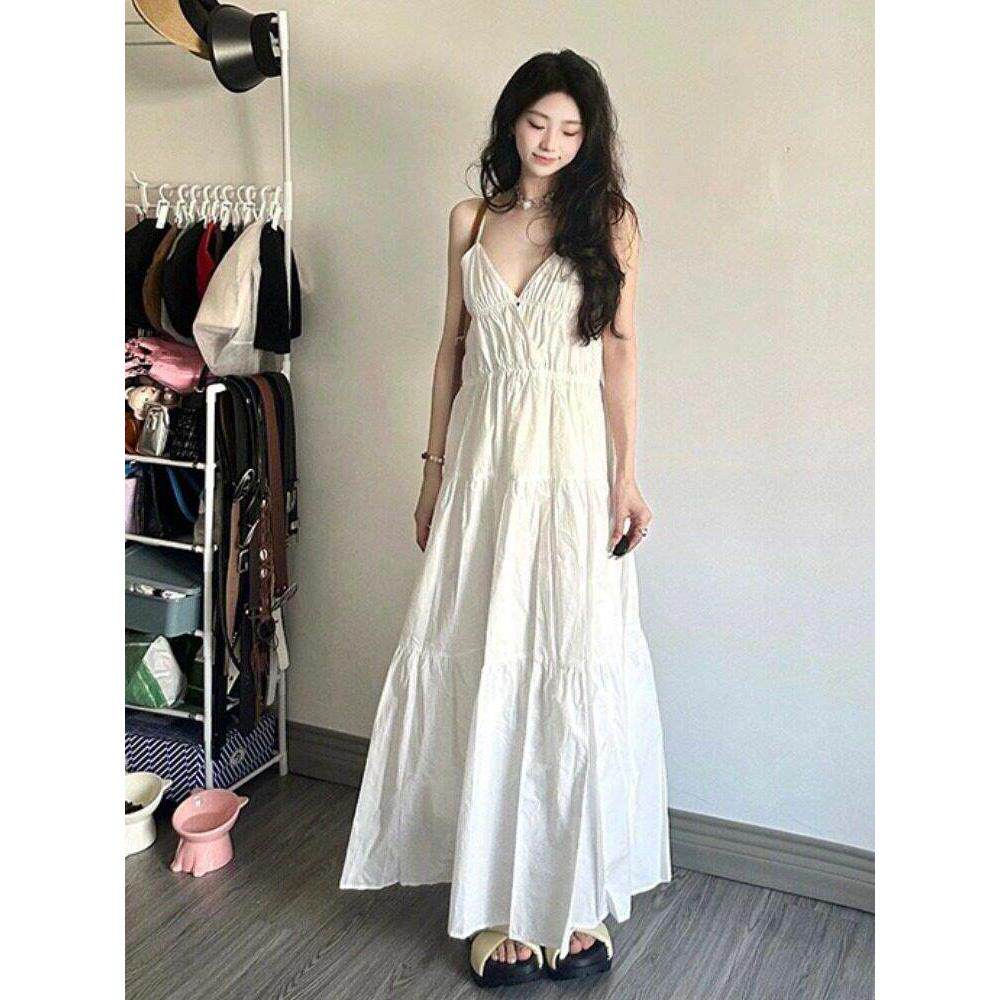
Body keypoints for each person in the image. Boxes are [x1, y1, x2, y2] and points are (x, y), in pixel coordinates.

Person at [339, 49, 673, 988]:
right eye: (537, 124)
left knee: (569, 666)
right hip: (485, 473)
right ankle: (495, 904)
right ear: (511, 122)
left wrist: (626, 479)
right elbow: (449, 354)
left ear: (589, 137)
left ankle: (571, 900)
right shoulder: (469, 221)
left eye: (570, 129)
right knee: (487, 666)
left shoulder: (611, 224)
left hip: (569, 477)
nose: (551, 143)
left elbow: (621, 356)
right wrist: (432, 473)